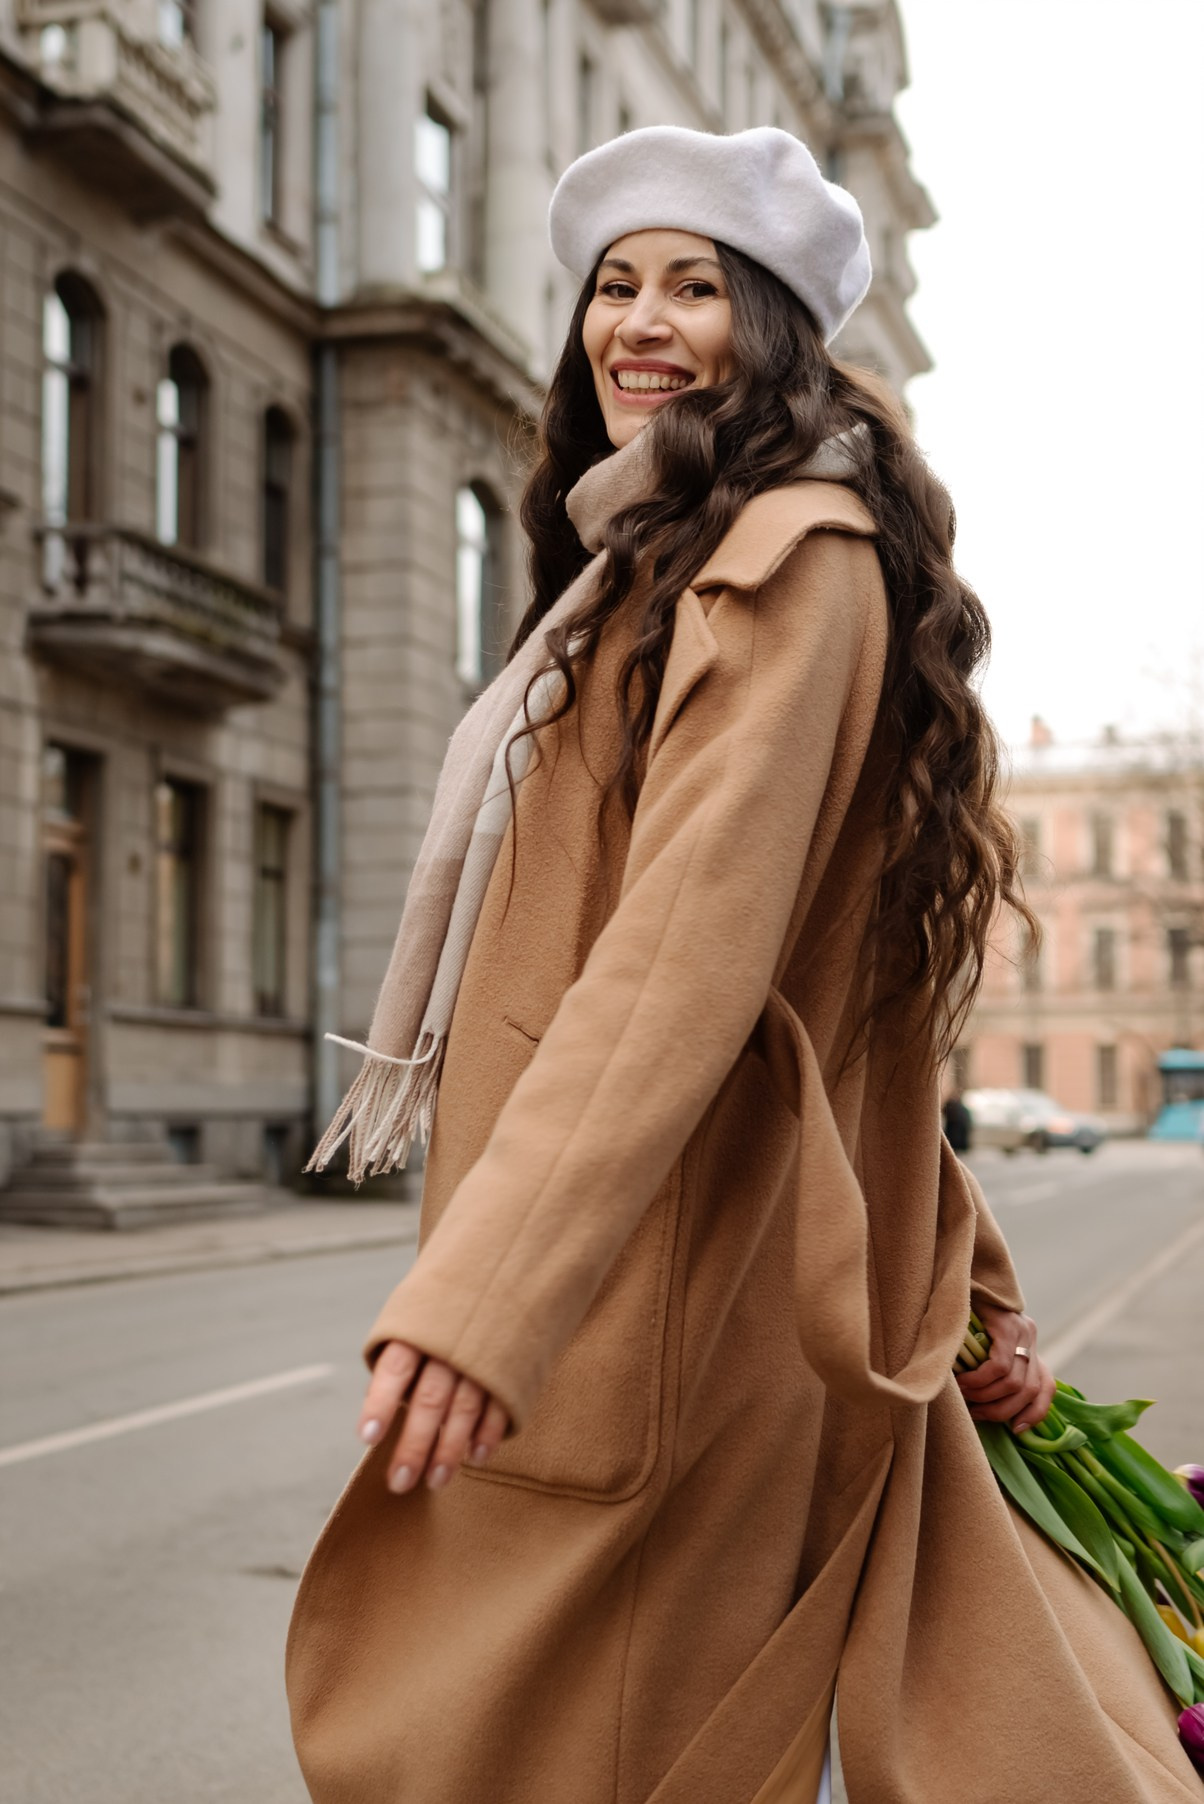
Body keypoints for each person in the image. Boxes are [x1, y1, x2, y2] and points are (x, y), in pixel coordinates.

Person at [287, 127, 1198, 1802]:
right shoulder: (645, 579)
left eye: (696, 287)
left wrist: (487, 1300)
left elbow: (686, 960)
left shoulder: (787, 567)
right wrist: (978, 1284)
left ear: (771, 330)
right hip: (633, 1268)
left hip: (667, 1285)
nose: (640, 323)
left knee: (565, 1748)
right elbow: (843, 992)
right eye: (614, 286)